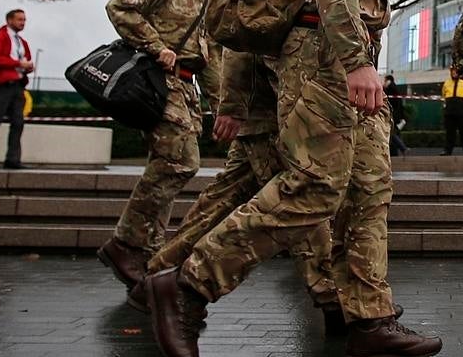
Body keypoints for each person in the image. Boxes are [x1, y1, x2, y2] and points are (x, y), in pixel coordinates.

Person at [143, 0, 441, 357]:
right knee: (316, 185)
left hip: (346, 56)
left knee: (370, 187)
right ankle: (187, 286)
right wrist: (355, 62)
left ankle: (368, 320)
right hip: (323, 56)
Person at [130, 49, 343, 330]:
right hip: (272, 114)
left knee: (222, 201)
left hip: (270, 111)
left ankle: (156, 279)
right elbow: (242, 42)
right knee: (298, 199)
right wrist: (231, 106)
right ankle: (330, 295)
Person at [95, 0, 230, 292]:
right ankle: (125, 242)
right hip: (158, 82)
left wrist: (222, 107)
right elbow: (120, 6)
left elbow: (212, 57)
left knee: (171, 165)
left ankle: (147, 250)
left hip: (184, 86)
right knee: (180, 161)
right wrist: (156, 46)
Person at [0, 8, 33, 168]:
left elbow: (26, 59)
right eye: (19, 19)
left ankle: (13, 159)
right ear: (9, 20)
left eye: (24, 20)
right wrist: (18, 64)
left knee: (18, 122)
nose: (22, 23)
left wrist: (28, 67)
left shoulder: (22, 42)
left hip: (18, 85)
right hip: (3, 85)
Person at [440, 65, 463, 155]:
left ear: (460, 72)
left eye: (455, 71)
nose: (453, 73)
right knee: (449, 132)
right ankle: (447, 150)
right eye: (452, 71)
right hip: (450, 111)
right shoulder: (447, 83)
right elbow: (444, 95)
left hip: (462, 110)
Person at [385, 75, 408, 157]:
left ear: (388, 80)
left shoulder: (390, 89)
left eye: (385, 81)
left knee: (392, 133)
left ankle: (403, 148)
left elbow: (392, 103)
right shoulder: (395, 89)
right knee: (394, 133)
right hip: (397, 116)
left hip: (393, 115)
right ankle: (397, 151)